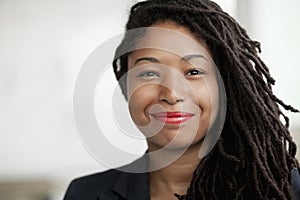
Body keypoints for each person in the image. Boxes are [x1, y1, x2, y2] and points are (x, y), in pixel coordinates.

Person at [64, 0, 300, 199]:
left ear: (225, 86)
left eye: (193, 72)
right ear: (126, 86)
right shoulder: (85, 194)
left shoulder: (284, 189)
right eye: (148, 73)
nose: (171, 94)